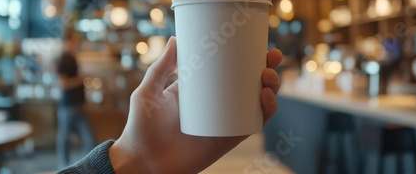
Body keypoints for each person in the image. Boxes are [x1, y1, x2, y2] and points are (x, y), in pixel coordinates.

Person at [59, 37, 283, 173]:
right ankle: (64, 155)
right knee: (69, 136)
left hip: (75, 105)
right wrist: (135, 156)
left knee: (73, 135)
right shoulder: (64, 59)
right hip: (71, 104)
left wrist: (135, 158)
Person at [56, 51, 96, 168]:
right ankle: (64, 166)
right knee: (65, 138)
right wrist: (79, 80)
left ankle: (92, 164)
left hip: (79, 105)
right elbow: (62, 84)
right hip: (67, 106)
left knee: (87, 136)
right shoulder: (62, 61)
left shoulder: (73, 59)